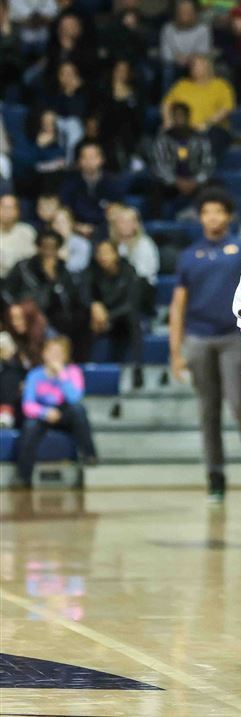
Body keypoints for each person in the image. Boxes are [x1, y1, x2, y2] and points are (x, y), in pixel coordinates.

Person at [171, 189, 241, 501]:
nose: (212, 217)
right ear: (200, 217)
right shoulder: (189, 256)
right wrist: (175, 352)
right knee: (207, 411)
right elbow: (177, 305)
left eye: (218, 211)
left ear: (229, 216)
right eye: (207, 212)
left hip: (233, 338)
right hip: (198, 339)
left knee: (240, 405)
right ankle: (215, 476)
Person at [14, 336, 96, 487]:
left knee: (79, 410)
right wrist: (45, 413)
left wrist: (62, 375)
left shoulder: (73, 372)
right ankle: (23, 476)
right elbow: (28, 405)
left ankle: (89, 455)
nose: (54, 357)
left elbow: (75, 398)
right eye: (51, 352)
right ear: (44, 354)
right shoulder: (35, 375)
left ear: (65, 356)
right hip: (42, 412)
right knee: (30, 426)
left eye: (59, 353)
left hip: (65, 412)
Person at [161, 54, 236, 158]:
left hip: (211, 129)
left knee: (212, 138)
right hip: (185, 129)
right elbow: (166, 104)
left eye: (198, 64)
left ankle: (203, 171)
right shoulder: (182, 85)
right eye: (192, 65)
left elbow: (227, 108)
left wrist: (206, 124)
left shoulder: (221, 85)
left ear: (208, 66)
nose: (194, 67)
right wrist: (168, 121)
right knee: (166, 137)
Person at [150, 101, 215, 217]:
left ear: (188, 117)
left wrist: (195, 181)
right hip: (171, 183)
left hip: (195, 182)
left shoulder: (200, 138)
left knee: (213, 187)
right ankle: (158, 224)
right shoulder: (163, 138)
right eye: (176, 116)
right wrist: (176, 181)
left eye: (182, 116)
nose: (179, 119)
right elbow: (159, 164)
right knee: (153, 187)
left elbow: (208, 163)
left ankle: (202, 219)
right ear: (172, 118)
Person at [86, 239, 144, 370]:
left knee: (133, 318)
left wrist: (108, 316)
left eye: (107, 252)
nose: (103, 257)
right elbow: (84, 294)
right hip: (98, 317)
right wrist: (93, 305)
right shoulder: (91, 270)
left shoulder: (128, 270)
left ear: (116, 254)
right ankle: (86, 366)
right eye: (100, 253)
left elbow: (131, 303)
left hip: (120, 316)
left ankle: (137, 367)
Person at [58, 141, 124, 234]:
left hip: (106, 229)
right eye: (84, 157)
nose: (89, 161)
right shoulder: (70, 181)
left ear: (101, 159)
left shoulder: (112, 181)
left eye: (93, 157)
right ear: (79, 161)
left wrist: (99, 228)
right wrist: (77, 226)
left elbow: (117, 206)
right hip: (76, 228)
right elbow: (65, 207)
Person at [0, 193, 35, 277]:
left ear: (18, 211)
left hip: (21, 280)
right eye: (4, 207)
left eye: (11, 208)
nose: (7, 211)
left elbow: (31, 259)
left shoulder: (27, 232)